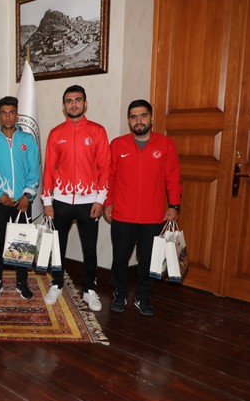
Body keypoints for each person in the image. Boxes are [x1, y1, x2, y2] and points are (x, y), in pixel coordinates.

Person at [104, 99, 182, 316]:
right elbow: (109, 176)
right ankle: (119, 292)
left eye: (143, 115)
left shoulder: (165, 144)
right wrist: (108, 202)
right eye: (133, 117)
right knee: (120, 258)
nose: (138, 120)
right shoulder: (117, 145)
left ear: (151, 118)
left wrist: (174, 205)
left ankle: (143, 296)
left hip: (154, 216)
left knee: (148, 260)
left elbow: (173, 177)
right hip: (122, 214)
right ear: (128, 120)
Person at [41, 85, 111, 312]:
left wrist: (100, 199)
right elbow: (49, 169)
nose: (73, 104)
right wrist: (47, 201)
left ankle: (89, 289)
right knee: (57, 246)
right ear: (64, 106)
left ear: (85, 104)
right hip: (60, 200)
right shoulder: (55, 133)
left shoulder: (97, 131)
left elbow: (105, 167)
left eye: (78, 100)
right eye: (69, 101)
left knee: (89, 249)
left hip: (89, 202)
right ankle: (56, 283)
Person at [0, 96, 40, 300]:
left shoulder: (28, 140)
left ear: (17, 115)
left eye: (11, 112)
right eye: (4, 113)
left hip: (22, 203)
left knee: (21, 243)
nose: (7, 117)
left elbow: (34, 170)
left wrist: (27, 195)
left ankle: (21, 282)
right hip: (0, 202)